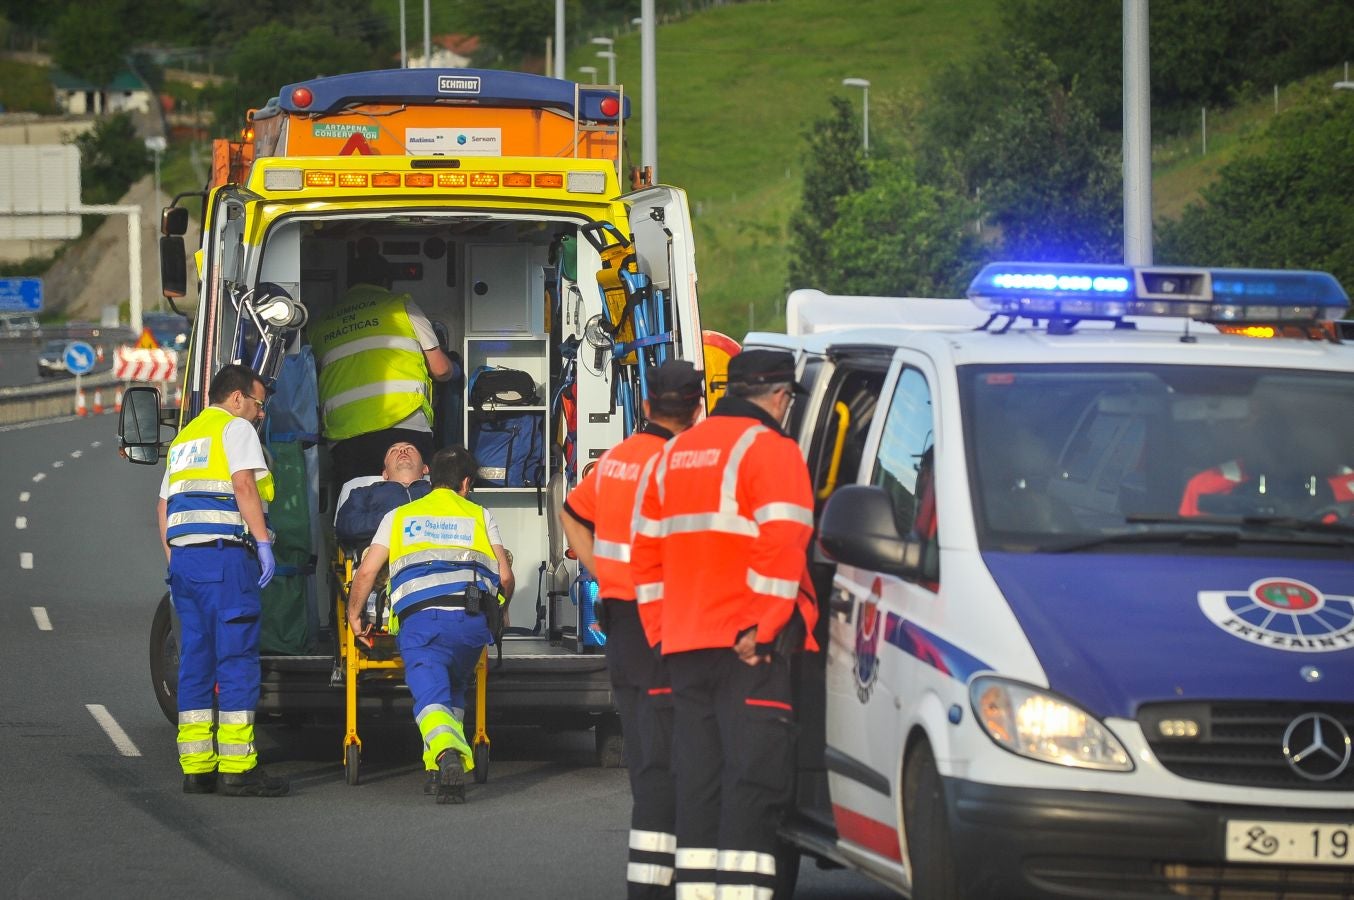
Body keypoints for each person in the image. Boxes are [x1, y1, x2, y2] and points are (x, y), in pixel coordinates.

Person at [631, 349, 819, 899]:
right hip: (747, 651)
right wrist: (763, 627)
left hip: (683, 646)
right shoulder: (772, 449)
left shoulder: (673, 455)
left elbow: (644, 555)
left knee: (698, 783)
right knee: (752, 783)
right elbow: (785, 543)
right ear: (780, 397)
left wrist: (662, 630)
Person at [559, 360, 705, 900]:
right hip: (668, 620)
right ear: (697, 408)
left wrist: (603, 569)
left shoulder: (618, 459)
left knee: (646, 747)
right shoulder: (686, 464)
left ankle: (649, 877)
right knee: (679, 751)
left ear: (645, 406)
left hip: (621, 619)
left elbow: (571, 513)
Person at [345, 446, 515, 802]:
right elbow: (504, 576)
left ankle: (447, 753)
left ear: (430, 478)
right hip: (470, 623)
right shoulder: (480, 515)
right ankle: (439, 773)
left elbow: (367, 571)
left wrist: (354, 614)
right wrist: (503, 610)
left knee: (430, 697)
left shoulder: (399, 516)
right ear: (466, 483)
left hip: (422, 624)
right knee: (453, 688)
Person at [156, 364, 290, 798]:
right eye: (258, 404)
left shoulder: (185, 439)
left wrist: (176, 559)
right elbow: (244, 485)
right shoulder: (236, 429)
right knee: (236, 660)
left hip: (186, 563)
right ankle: (237, 768)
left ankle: (197, 769)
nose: (259, 413)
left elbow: (163, 506)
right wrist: (263, 541)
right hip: (225, 559)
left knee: (195, 661)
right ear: (236, 399)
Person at [310, 238, 458, 486]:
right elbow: (441, 370)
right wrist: (456, 369)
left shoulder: (321, 324)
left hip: (345, 435)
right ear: (387, 282)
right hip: (404, 425)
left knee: (359, 503)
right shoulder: (400, 306)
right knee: (410, 502)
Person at [335, 440, 433, 544]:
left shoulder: (438, 489)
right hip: (382, 549)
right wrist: (392, 518)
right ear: (385, 473)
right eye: (393, 451)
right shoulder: (364, 493)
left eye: (410, 449)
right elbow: (346, 525)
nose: (402, 450)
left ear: (425, 469)